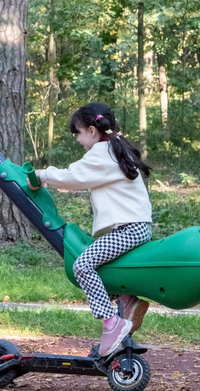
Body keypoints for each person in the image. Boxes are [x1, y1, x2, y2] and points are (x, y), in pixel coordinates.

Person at [30, 103, 153, 357]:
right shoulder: (117, 149)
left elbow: (73, 177)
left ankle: (111, 322)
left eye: (78, 133)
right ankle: (128, 301)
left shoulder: (102, 153)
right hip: (137, 227)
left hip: (127, 229)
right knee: (104, 269)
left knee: (83, 266)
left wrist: (41, 175)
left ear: (92, 130)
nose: (78, 139)